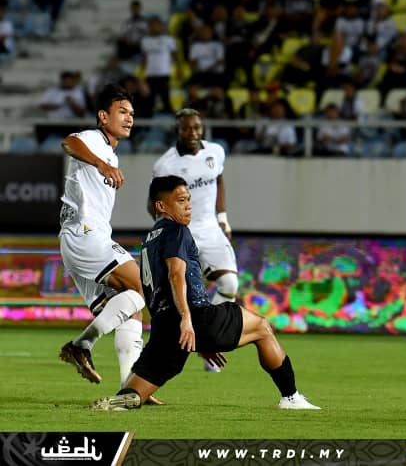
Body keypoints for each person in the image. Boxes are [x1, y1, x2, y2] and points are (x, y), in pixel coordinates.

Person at [91, 176, 319, 411]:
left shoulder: (150, 239)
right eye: (180, 200)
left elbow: (149, 285)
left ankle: (121, 401)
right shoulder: (177, 231)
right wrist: (189, 321)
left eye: (189, 199)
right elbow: (176, 274)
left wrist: (197, 338)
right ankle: (291, 398)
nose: (188, 205)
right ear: (161, 206)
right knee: (262, 328)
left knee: (135, 393)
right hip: (196, 317)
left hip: (164, 328)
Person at [57, 85, 161, 404]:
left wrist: (105, 163)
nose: (129, 118)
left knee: (131, 309)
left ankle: (130, 389)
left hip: (84, 238)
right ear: (104, 116)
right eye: (122, 112)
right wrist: (101, 165)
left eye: (132, 113)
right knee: (145, 290)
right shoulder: (93, 140)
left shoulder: (111, 152)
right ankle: (82, 345)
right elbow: (68, 142)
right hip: (85, 235)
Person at [152, 109, 238, 372]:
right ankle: (180, 347)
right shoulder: (166, 165)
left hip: (211, 228)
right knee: (182, 296)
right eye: (187, 129)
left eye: (197, 128)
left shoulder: (215, 152)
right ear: (178, 131)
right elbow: (154, 204)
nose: (193, 133)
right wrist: (168, 230)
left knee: (229, 283)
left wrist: (222, 217)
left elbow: (218, 179)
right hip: (183, 231)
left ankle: (208, 339)